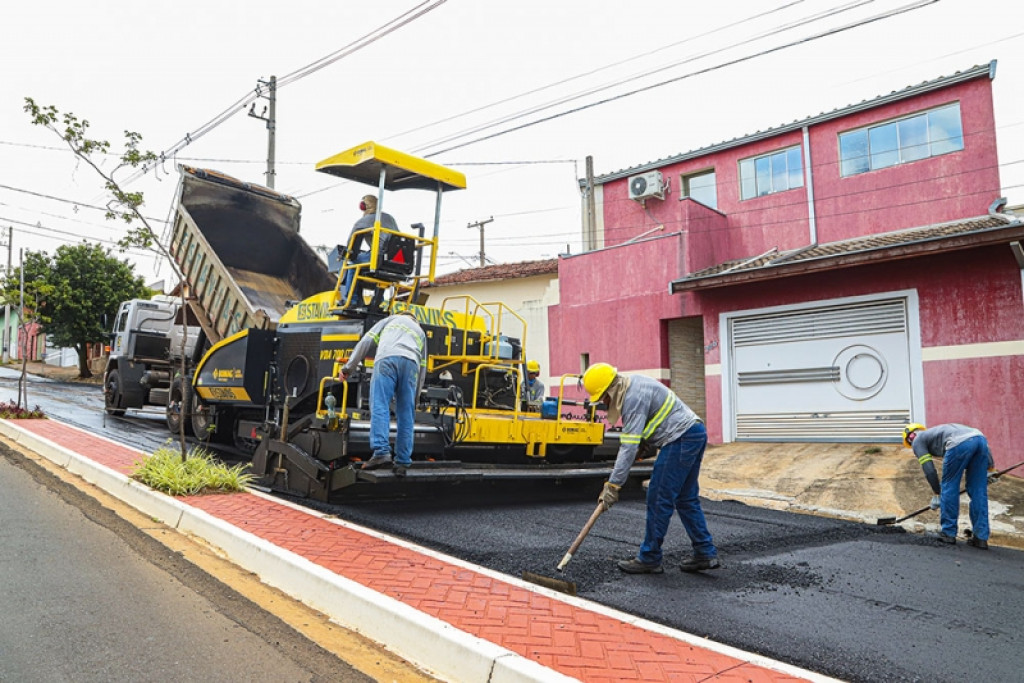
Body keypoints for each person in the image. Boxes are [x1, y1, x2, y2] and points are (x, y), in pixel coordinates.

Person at [582, 362, 719, 574]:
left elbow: (628, 448)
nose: (602, 402)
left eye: (602, 397)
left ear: (610, 389)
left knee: (658, 497)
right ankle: (705, 552)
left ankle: (650, 557)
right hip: (694, 433)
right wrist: (645, 444)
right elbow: (651, 424)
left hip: (680, 438)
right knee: (685, 497)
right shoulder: (633, 384)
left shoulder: (631, 398)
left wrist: (613, 485)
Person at [340, 310, 426, 477]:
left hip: (387, 359)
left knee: (380, 404)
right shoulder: (419, 331)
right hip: (411, 365)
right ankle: (402, 462)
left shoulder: (390, 320)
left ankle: (381, 452)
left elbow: (366, 341)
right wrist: (414, 401)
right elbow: (423, 368)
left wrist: (348, 368)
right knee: (406, 415)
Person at [903, 422, 993, 548]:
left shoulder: (918, 440)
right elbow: (978, 439)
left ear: (910, 437)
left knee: (949, 486)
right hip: (980, 440)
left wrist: (937, 493)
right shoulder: (938, 432)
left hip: (958, 444)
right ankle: (981, 538)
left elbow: (929, 470)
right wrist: (990, 469)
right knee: (978, 490)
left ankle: (948, 533)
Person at [340, 194, 398, 307]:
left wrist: (348, 254)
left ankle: (351, 300)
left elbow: (351, 244)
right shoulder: (390, 218)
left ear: (364, 206)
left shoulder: (364, 221)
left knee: (352, 263)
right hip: (395, 259)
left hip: (379, 256)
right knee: (375, 267)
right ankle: (378, 300)